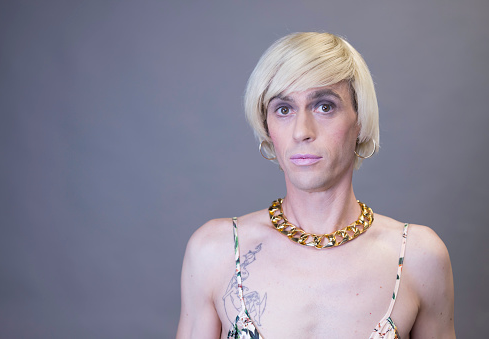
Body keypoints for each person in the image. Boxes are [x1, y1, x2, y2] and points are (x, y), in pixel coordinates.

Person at [176, 32, 455, 338]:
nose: (302, 131)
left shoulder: (418, 257)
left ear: (360, 119)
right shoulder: (217, 252)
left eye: (324, 106)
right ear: (267, 127)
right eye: (284, 109)